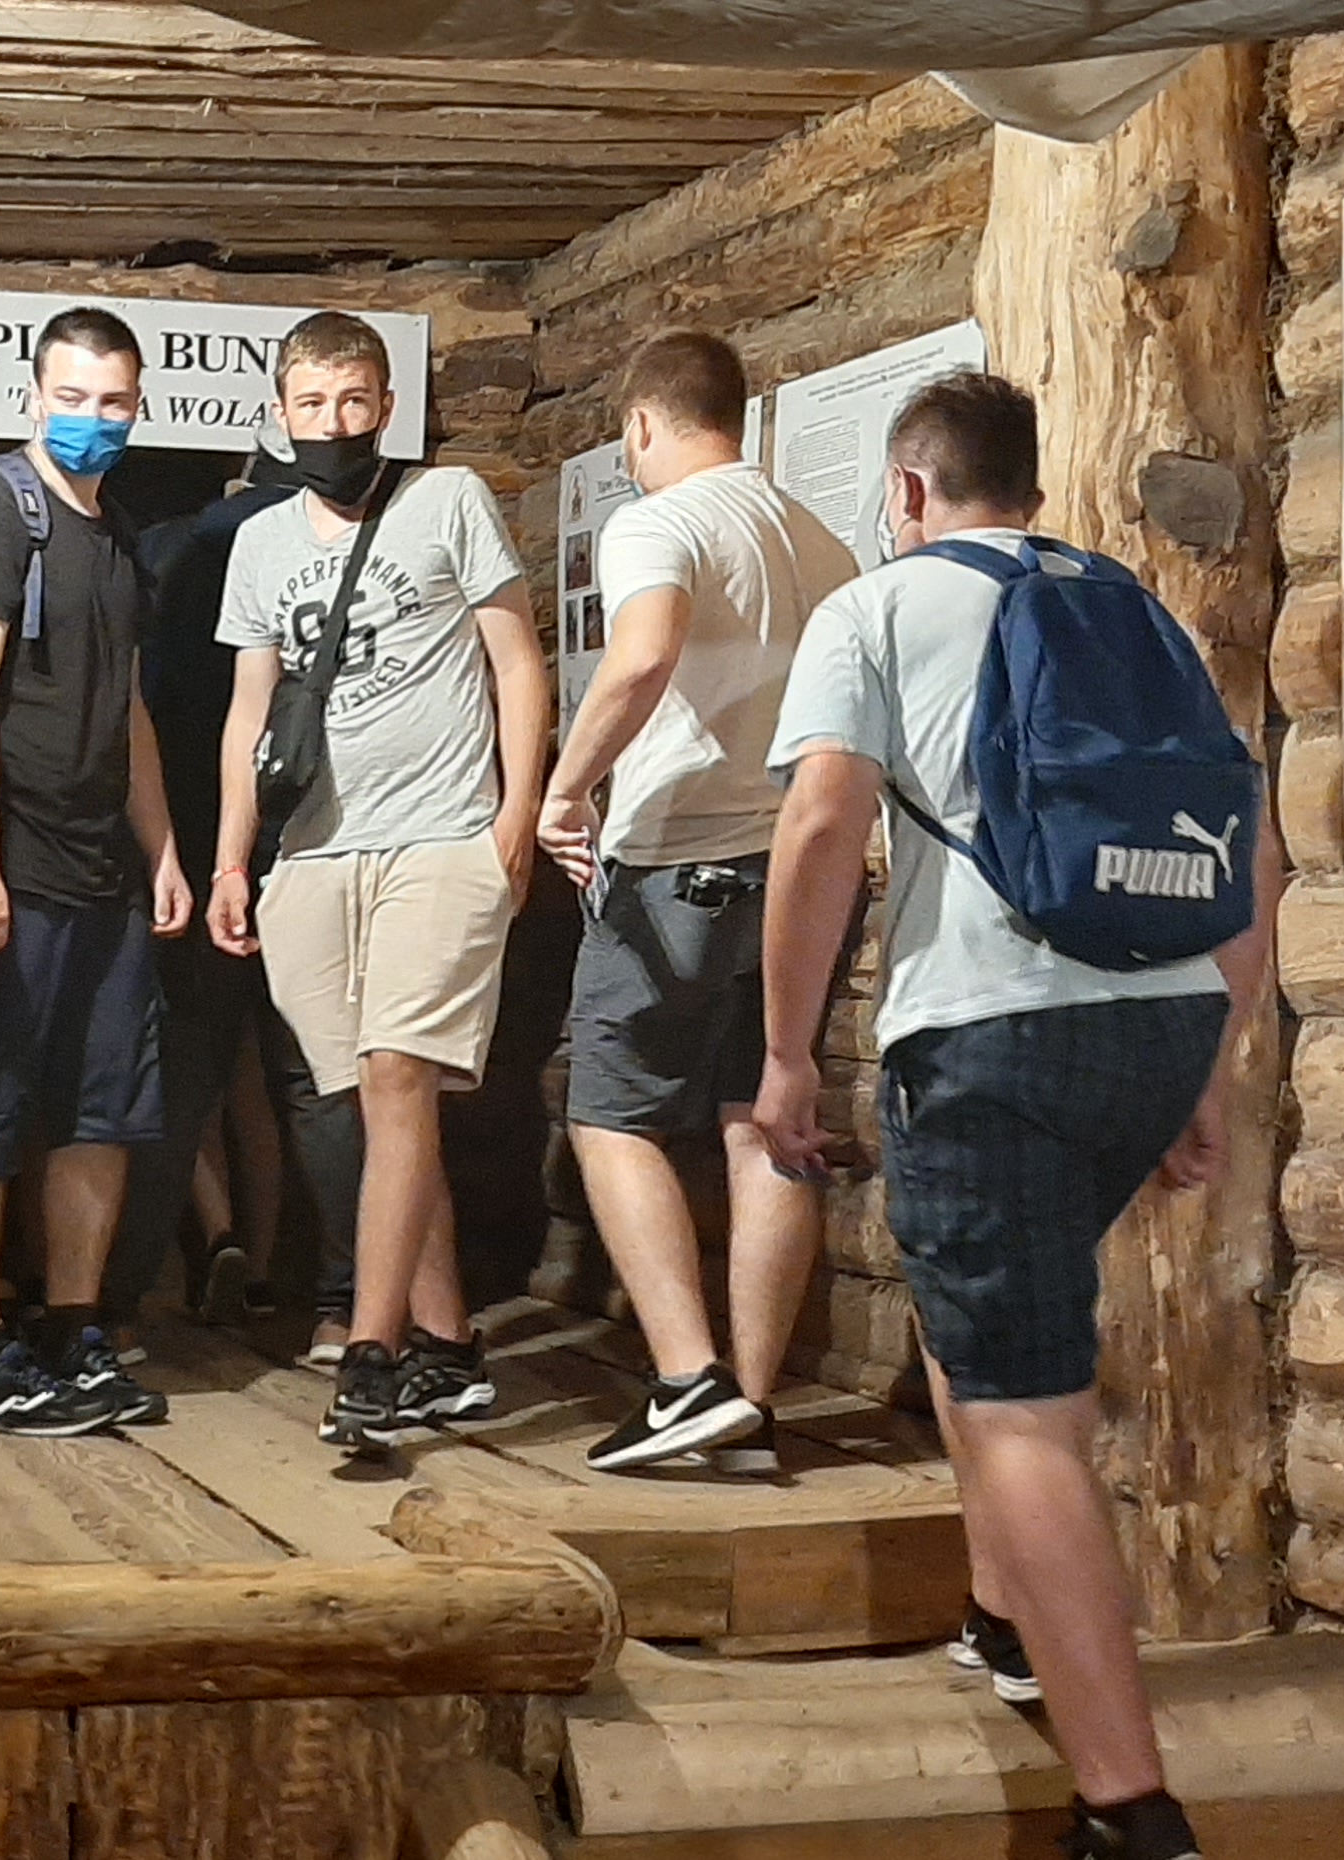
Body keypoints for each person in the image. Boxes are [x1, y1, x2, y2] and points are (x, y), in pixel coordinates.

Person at [751, 371, 1278, 1860]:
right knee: (987, 1324)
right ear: (1032, 489)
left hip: (989, 1034)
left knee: (1025, 1407)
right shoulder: (1133, 609)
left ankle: (1128, 1805)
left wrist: (785, 1053)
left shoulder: (877, 607)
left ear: (908, 492)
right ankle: (1001, 1617)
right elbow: (1252, 847)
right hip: (1158, 1022)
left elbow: (823, 823)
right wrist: (1208, 1066)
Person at [206, 310, 550, 1447]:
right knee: (368, 1103)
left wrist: (516, 813)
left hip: (439, 837)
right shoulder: (262, 542)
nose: (335, 422)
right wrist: (233, 857)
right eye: (313, 405)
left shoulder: (447, 500)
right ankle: (448, 1347)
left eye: (353, 401)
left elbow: (515, 660)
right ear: (281, 414)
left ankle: (371, 1346)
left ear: (387, 405)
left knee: (400, 1077)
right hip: (313, 851)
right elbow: (250, 711)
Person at [533, 330, 857, 1477]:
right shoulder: (822, 539)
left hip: (680, 862)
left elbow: (642, 655)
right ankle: (750, 1408)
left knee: (607, 1113)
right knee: (761, 1119)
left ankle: (686, 1380)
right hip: (797, 873)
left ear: (640, 424)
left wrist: (565, 787)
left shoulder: (657, 519)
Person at [0, 306, 195, 1435]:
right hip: (0, 876)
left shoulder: (116, 534)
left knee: (98, 1117)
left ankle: (73, 1336)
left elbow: (129, 711)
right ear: (34, 396)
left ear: (138, 405)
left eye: (112, 402)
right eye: (71, 399)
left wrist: (162, 848)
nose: (92, 419)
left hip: (100, 876)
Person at [105, 446, 369, 1353]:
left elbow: (148, 703)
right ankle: (336, 1301)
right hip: (319, 831)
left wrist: (166, 850)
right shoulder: (348, 542)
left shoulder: (168, 554)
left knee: (184, 1077)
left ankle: (124, 1303)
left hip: (195, 833)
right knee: (317, 1078)